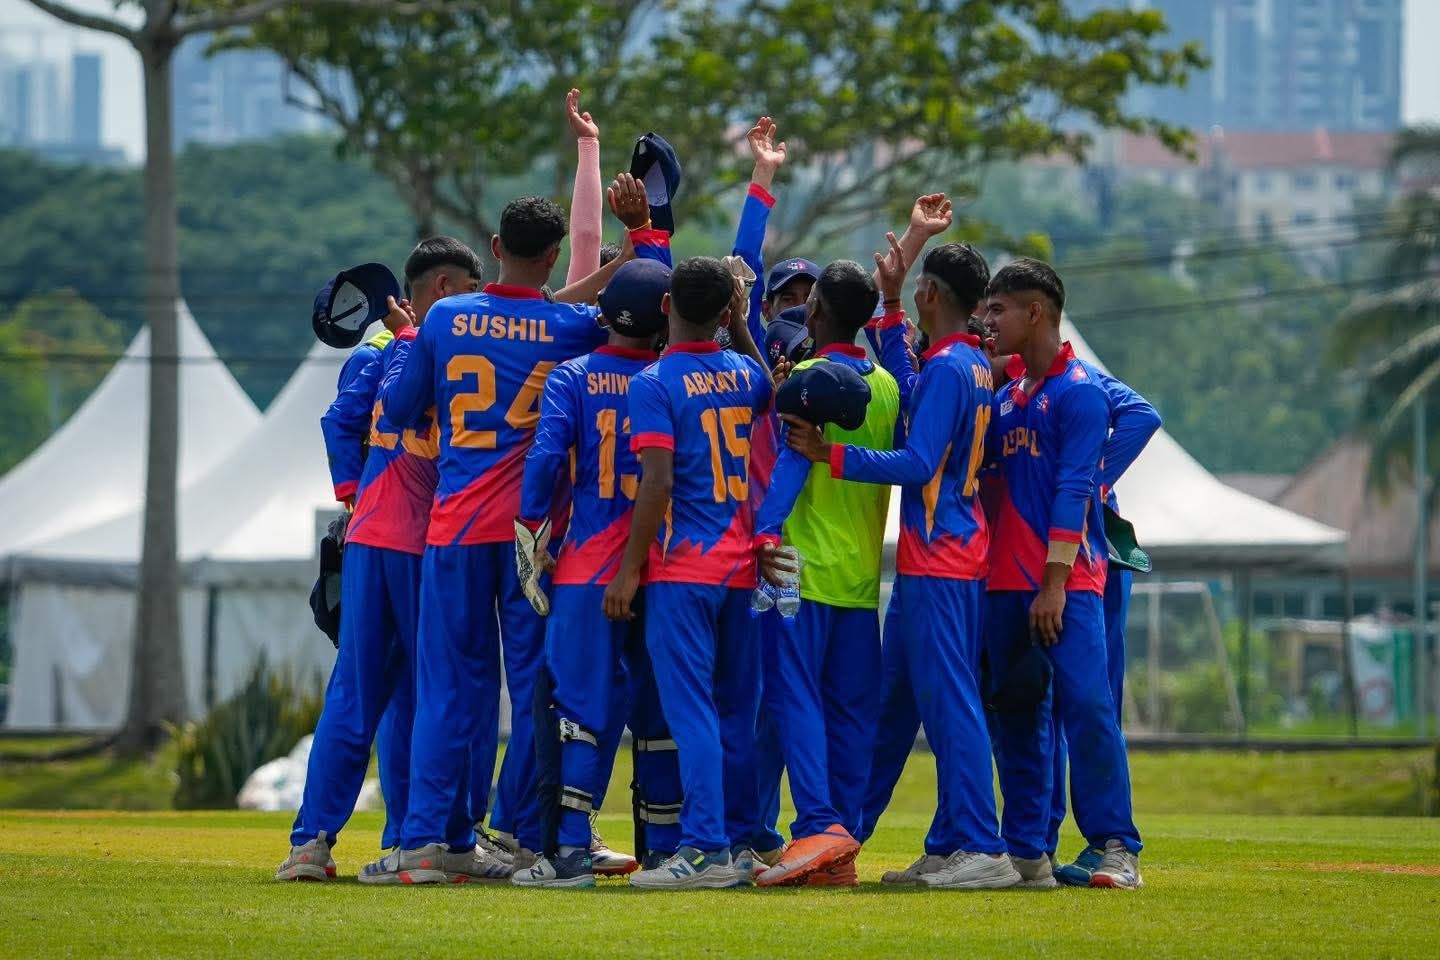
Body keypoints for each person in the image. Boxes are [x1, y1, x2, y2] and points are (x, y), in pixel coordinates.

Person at [358, 183, 653, 885]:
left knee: (448, 687)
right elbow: (620, 312)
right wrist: (637, 242)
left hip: (455, 529)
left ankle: (429, 842)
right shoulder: (571, 327)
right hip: (533, 536)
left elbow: (400, 410)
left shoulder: (444, 317)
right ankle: (527, 835)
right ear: (552, 256)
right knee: (534, 692)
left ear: (494, 247)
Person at [783, 233, 1018, 892]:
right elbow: (912, 395)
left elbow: (917, 463)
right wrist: (888, 306)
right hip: (939, 558)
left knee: (950, 703)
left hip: (943, 559)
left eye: (916, 289)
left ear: (932, 293)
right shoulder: (964, 362)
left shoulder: (951, 367)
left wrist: (829, 454)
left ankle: (981, 844)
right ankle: (919, 842)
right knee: (897, 706)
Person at [277, 238, 483, 882]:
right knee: (425, 693)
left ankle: (323, 844)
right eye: (469, 290)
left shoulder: (390, 348)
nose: (475, 302)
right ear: (444, 289)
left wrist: (358, 497)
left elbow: (343, 423)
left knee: (369, 693)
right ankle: (417, 839)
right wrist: (355, 495)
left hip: (378, 538)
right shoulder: (417, 347)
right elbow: (341, 422)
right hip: (422, 542)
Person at [511, 242, 679, 889]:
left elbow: (545, 460)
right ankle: (663, 852)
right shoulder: (669, 378)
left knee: (576, 711)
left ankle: (571, 852)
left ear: (605, 311)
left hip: (587, 567)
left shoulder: (572, 376)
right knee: (658, 716)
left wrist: (532, 533)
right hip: (662, 565)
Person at [603, 256, 772, 890]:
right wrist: (742, 326)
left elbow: (658, 482)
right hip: (739, 567)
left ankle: (703, 849)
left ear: (665, 305)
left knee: (693, 711)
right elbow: (767, 389)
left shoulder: (654, 382)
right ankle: (739, 842)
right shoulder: (744, 374)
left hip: (683, 570)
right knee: (735, 712)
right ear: (726, 312)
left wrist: (628, 571)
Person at [981, 257, 1144, 891]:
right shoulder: (1008, 397)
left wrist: (1053, 583)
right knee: (1017, 714)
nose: (989, 321)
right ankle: (1028, 852)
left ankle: (1116, 847)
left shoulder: (1079, 392)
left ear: (1035, 313)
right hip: (1005, 582)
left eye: (999, 310)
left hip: (1065, 584)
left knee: (1088, 706)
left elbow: (1075, 489)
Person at [749, 261, 900, 888]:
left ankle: (816, 825)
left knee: (793, 698)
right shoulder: (888, 385)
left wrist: (764, 532)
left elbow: (791, 462)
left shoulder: (808, 377)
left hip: (795, 572)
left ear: (813, 311)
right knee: (853, 714)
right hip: (860, 578)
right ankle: (841, 845)